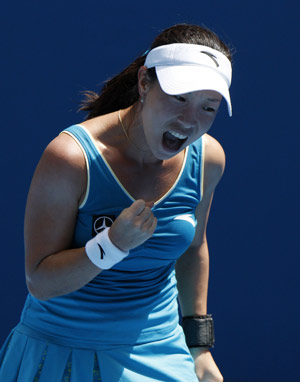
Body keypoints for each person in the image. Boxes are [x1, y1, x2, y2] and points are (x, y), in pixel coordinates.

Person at [0, 23, 232, 382]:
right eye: (179, 97)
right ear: (144, 83)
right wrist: (110, 245)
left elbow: (193, 249)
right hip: (61, 352)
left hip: (163, 349)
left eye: (208, 107)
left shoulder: (209, 160)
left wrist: (199, 347)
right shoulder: (71, 158)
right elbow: (40, 282)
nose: (189, 121)